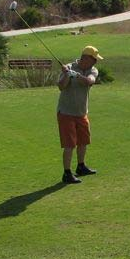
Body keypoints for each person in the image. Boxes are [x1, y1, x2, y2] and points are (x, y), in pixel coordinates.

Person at [56, 45, 103, 184]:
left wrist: (75, 75)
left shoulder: (92, 70)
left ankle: (81, 166)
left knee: (83, 141)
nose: (96, 62)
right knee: (69, 145)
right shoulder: (69, 67)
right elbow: (61, 86)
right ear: (86, 58)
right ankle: (67, 173)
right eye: (94, 59)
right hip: (66, 112)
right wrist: (66, 75)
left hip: (82, 113)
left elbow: (89, 81)